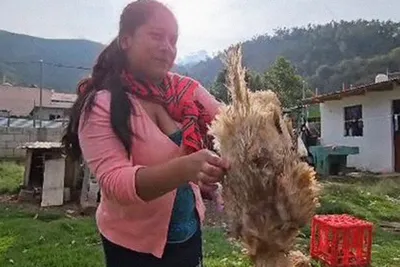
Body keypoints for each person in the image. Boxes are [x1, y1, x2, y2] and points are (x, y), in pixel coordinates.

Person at [62, 1, 229, 266]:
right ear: (126, 40)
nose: (167, 47)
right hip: (134, 248)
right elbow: (116, 183)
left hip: (189, 233)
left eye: (173, 40)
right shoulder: (101, 104)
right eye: (156, 36)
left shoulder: (182, 91)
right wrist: (187, 168)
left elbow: (228, 120)